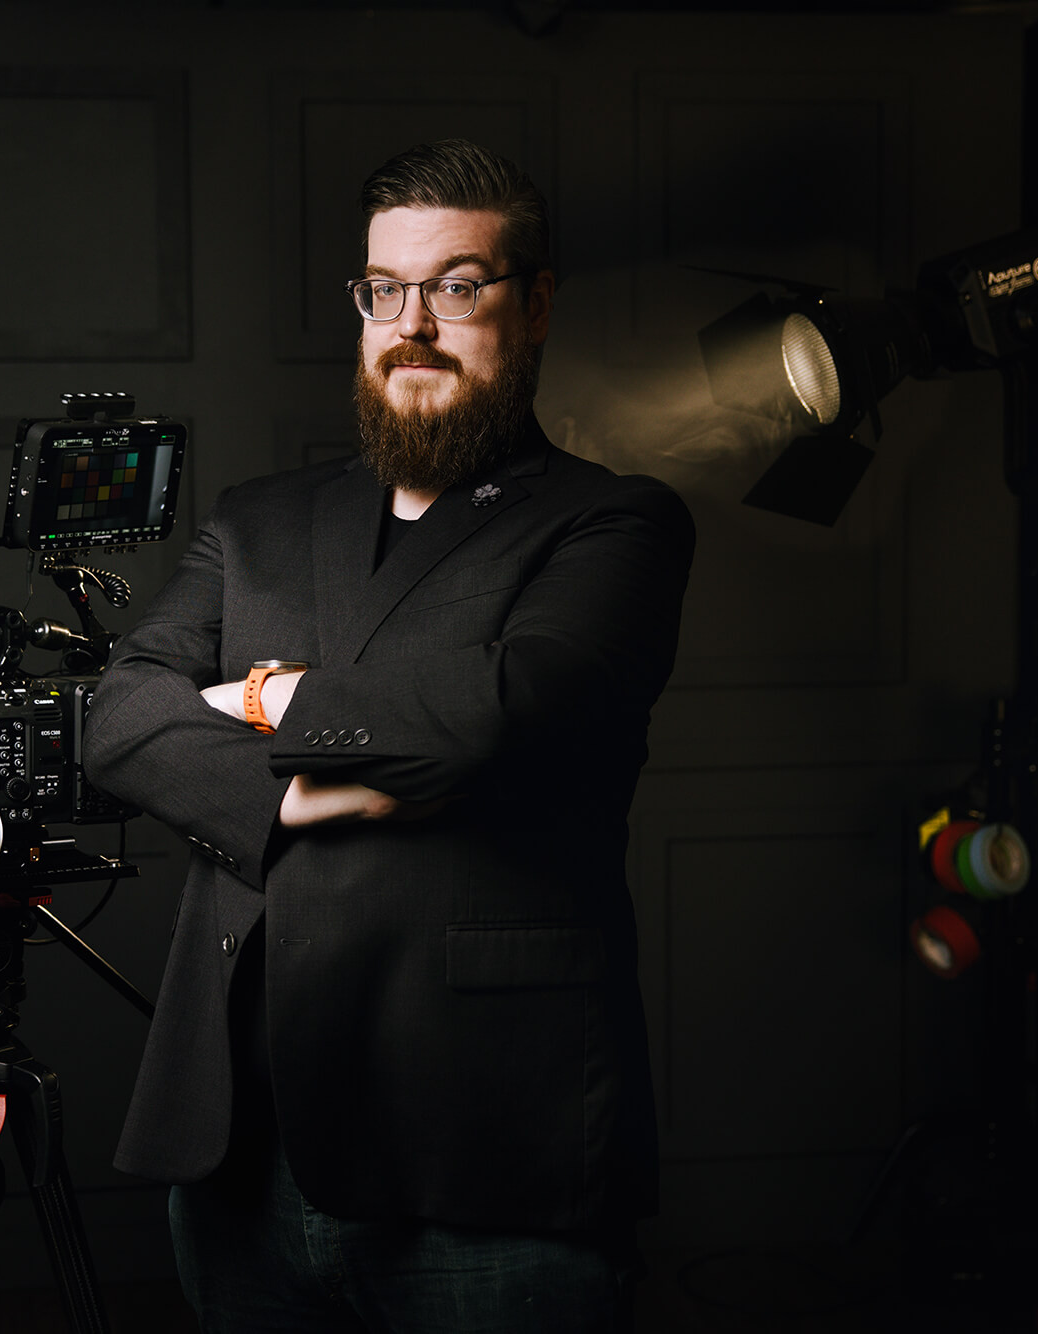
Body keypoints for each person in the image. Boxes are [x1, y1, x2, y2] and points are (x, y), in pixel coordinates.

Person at [83, 138, 695, 1331]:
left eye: (458, 286)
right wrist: (298, 794)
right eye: (386, 289)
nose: (412, 323)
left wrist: (256, 699)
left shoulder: (611, 525)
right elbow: (122, 713)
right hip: (240, 1144)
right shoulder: (255, 521)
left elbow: (498, 716)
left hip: (483, 1140)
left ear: (534, 305)